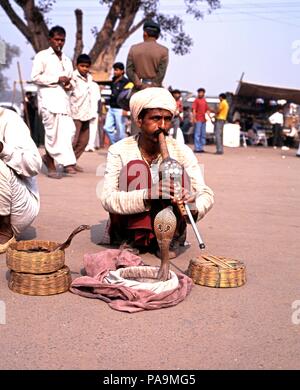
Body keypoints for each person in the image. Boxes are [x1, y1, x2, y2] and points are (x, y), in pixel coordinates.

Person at [100, 87, 214, 259]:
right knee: (135, 169)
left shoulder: (181, 151)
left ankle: (171, 238)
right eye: (155, 118)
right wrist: (147, 195)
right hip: (128, 223)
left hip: (169, 222)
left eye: (167, 119)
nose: (162, 126)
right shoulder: (119, 150)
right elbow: (107, 198)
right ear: (139, 120)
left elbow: (205, 193)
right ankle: (132, 238)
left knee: (177, 171)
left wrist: (192, 203)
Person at [31, 25, 76, 179]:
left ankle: (54, 159)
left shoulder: (67, 60)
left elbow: (71, 83)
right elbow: (35, 77)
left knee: (69, 132)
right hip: (48, 100)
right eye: (57, 39)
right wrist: (57, 79)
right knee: (51, 134)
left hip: (63, 102)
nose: (60, 43)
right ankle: (50, 164)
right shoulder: (42, 56)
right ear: (50, 39)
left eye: (62, 40)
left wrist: (69, 84)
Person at [0, 107, 42, 253]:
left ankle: (4, 231)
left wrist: (2, 149)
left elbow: (34, 165)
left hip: (17, 208)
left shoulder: (9, 119)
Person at [126, 20, 169, 91]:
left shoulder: (134, 49)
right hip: (155, 90)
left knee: (122, 100)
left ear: (145, 33)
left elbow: (129, 70)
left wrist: (139, 84)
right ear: (158, 36)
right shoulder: (164, 50)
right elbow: (161, 73)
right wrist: (153, 85)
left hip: (138, 90)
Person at [69, 53, 94, 172]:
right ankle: (66, 163)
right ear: (77, 65)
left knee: (84, 141)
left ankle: (72, 161)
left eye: (87, 66)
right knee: (73, 140)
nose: (85, 68)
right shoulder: (72, 77)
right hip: (75, 113)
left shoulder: (89, 77)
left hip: (86, 113)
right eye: (82, 66)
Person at [103, 62, 129, 144]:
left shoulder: (127, 82)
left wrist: (126, 109)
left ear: (122, 71)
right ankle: (116, 145)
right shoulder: (113, 80)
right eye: (114, 70)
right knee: (107, 128)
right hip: (111, 108)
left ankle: (122, 149)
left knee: (121, 132)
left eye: (117, 70)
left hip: (120, 109)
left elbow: (128, 96)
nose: (115, 72)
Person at [192, 88, 210, 153]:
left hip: (203, 120)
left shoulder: (204, 100)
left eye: (201, 92)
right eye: (199, 92)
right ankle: (197, 148)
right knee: (197, 134)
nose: (200, 94)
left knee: (203, 134)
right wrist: (194, 118)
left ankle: (201, 148)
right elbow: (194, 110)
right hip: (198, 119)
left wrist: (210, 118)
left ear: (203, 93)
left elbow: (207, 109)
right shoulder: (196, 100)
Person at [85, 81, 101, 152]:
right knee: (91, 129)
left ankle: (90, 145)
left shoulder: (94, 85)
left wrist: (99, 112)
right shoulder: (95, 85)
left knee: (91, 128)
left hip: (91, 110)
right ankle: (90, 145)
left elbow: (98, 99)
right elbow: (99, 100)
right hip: (88, 110)